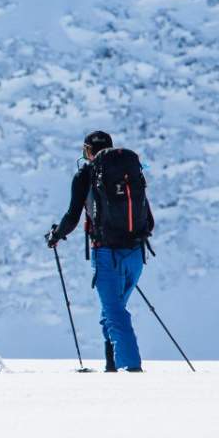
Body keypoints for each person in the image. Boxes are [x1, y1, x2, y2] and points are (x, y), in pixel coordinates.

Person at [46, 130, 152, 373]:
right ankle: (111, 367)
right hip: (136, 252)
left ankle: (130, 368)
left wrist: (56, 235)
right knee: (111, 311)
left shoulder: (86, 174)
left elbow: (72, 216)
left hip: (107, 254)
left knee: (114, 313)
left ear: (88, 151)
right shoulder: (130, 171)